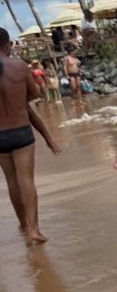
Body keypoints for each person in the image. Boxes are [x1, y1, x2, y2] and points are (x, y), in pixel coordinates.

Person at [0, 28, 61, 243]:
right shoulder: (19, 66)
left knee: (11, 181)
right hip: (21, 131)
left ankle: (24, 226)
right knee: (26, 180)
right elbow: (35, 94)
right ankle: (34, 230)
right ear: (8, 45)